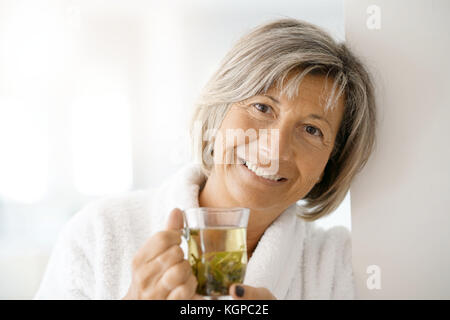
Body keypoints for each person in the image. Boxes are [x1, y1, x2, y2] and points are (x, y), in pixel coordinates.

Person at [34, 18, 376, 300]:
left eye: (312, 130)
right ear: (218, 115)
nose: (276, 150)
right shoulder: (99, 234)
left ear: (331, 162)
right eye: (262, 107)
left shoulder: (345, 267)